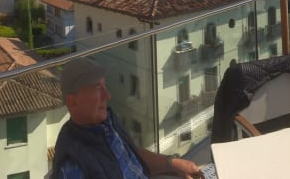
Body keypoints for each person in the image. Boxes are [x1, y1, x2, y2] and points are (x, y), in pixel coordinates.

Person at [51, 58, 204, 179]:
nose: (108, 96)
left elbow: (132, 156)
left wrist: (172, 163)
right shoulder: (73, 164)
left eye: (105, 87)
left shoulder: (107, 122)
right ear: (73, 102)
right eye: (97, 89)